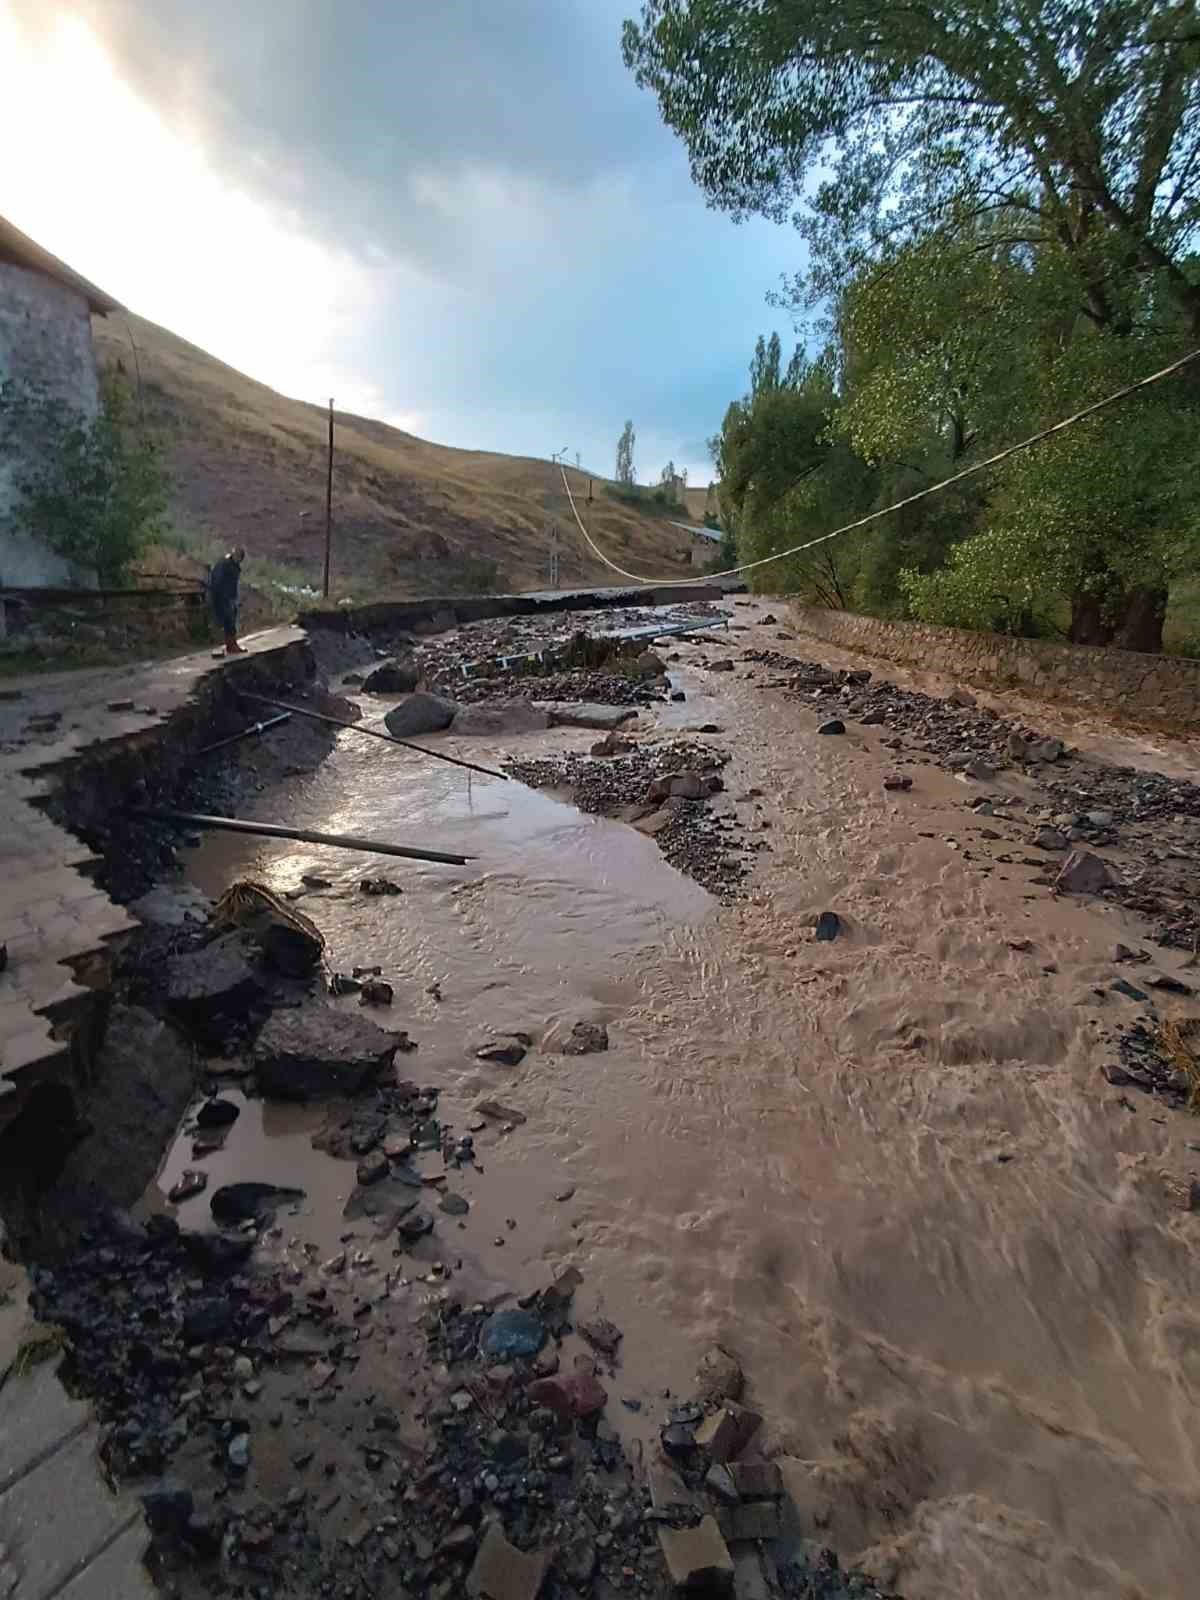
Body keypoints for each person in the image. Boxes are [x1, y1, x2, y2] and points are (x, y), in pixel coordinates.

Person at [209, 546, 246, 654]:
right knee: (229, 621)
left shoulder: (232, 565)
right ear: (236, 556)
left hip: (229, 597)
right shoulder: (224, 565)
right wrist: (224, 597)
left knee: (231, 621)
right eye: (239, 558)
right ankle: (231, 646)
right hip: (224, 598)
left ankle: (231, 645)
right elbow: (218, 582)